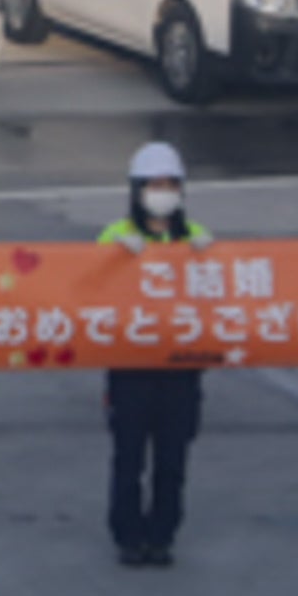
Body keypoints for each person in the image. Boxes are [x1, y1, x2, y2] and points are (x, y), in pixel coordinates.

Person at [101, 143, 212, 568]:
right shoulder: (114, 235)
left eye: (169, 184)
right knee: (127, 459)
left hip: (181, 368)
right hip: (130, 367)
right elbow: (85, 289)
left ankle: (163, 535)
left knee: (172, 460)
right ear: (136, 189)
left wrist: (210, 259)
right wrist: (113, 260)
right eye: (153, 184)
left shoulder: (196, 235)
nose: (161, 191)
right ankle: (129, 536)